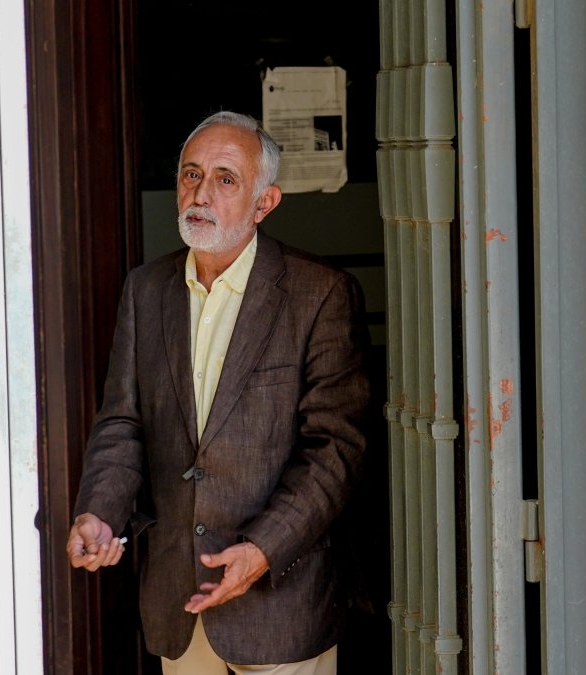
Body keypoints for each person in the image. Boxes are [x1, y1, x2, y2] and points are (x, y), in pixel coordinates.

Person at [67, 111, 368, 674]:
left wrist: (262, 550)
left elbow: (335, 449)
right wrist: (100, 513)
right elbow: (123, 423)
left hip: (283, 603)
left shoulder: (319, 294)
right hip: (180, 600)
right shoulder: (146, 289)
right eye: (191, 174)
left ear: (265, 202)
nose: (200, 193)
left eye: (226, 179)